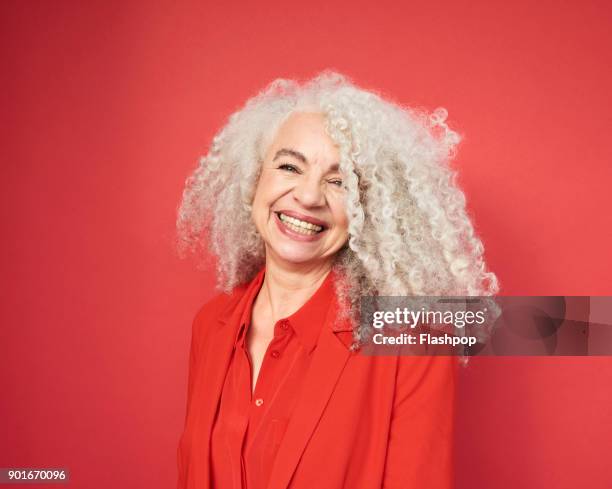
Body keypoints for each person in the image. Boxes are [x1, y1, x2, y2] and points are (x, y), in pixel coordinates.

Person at [175, 71, 498, 489]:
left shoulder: (412, 336)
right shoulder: (211, 325)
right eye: (290, 166)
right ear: (254, 180)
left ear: (369, 210)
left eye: (340, 181)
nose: (309, 196)